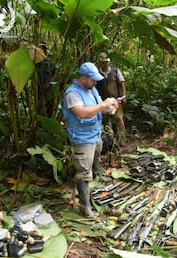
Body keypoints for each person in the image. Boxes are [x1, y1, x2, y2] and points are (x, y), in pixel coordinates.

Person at [61, 62, 119, 217]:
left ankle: (93, 187)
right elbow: (82, 113)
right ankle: (84, 207)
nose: (95, 82)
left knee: (94, 162)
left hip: (95, 134)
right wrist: (103, 105)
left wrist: (109, 107)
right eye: (92, 79)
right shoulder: (72, 94)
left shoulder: (91, 89)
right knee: (83, 172)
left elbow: (99, 106)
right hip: (82, 138)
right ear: (83, 78)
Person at [96, 52, 127, 147]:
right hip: (104, 101)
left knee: (119, 118)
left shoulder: (115, 71)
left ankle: (122, 140)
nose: (105, 64)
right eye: (103, 62)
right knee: (106, 122)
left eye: (106, 62)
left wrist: (124, 96)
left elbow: (122, 83)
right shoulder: (97, 74)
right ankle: (111, 142)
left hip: (116, 100)